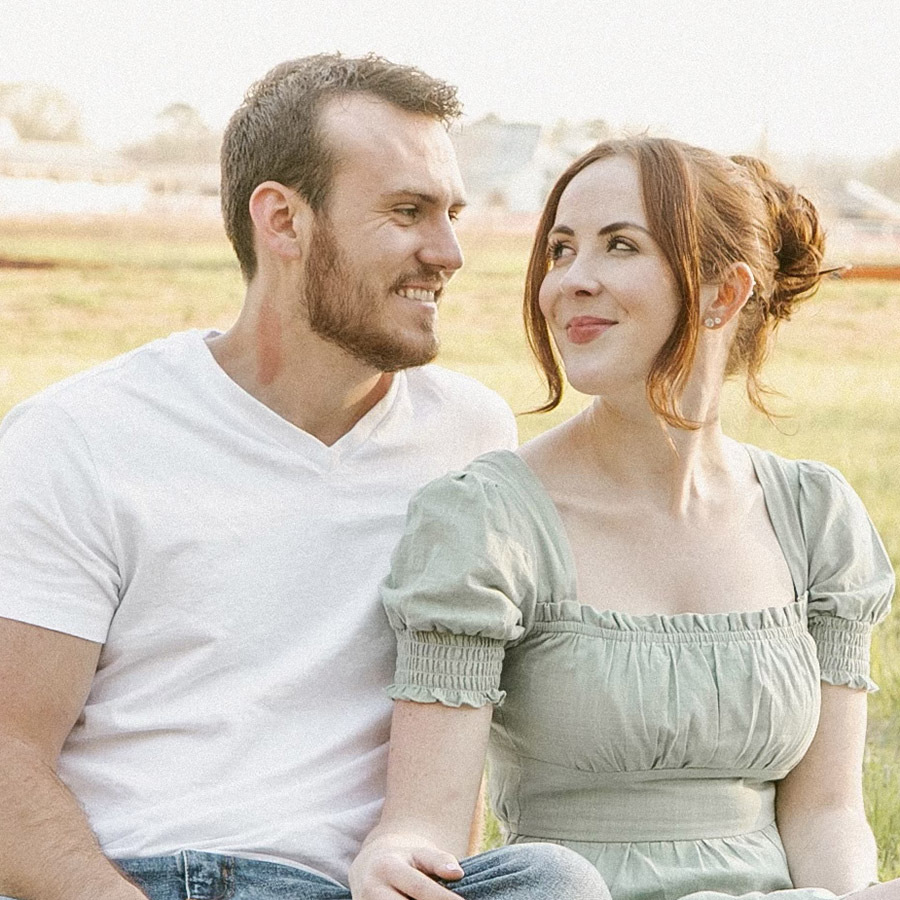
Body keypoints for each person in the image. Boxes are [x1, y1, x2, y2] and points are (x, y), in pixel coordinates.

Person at [0, 53, 607, 900]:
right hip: (153, 876)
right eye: (407, 212)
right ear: (283, 221)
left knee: (551, 880)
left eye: (452, 214)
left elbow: (453, 717)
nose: (449, 252)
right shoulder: (80, 436)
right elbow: (9, 759)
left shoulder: (469, 435)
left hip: (358, 886)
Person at [349, 137, 899, 899]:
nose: (572, 280)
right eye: (561, 249)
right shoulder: (487, 521)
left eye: (620, 246)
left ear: (722, 293)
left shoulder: (815, 517)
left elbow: (828, 813)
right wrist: (394, 855)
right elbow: (428, 826)